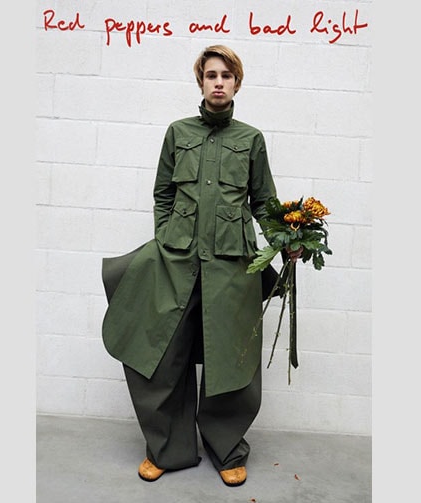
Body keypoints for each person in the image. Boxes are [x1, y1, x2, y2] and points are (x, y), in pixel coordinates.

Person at [101, 45, 300, 487]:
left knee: (231, 359)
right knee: (163, 356)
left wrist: (285, 242)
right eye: (211, 75)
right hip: (177, 263)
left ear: (237, 83)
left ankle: (226, 449)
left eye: (226, 76)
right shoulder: (178, 133)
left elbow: (264, 202)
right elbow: (163, 195)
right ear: (201, 81)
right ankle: (166, 448)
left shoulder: (251, 139)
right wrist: (167, 239)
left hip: (232, 268)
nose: (218, 82)